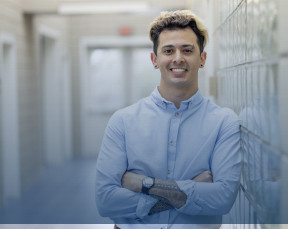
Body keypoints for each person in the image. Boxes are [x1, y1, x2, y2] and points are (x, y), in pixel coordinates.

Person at [95, 10, 241, 229]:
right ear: (155, 59)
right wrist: (189, 190)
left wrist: (144, 184)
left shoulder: (224, 123)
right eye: (168, 50)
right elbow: (106, 201)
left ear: (202, 59)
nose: (178, 58)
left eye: (187, 50)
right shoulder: (122, 122)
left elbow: (223, 199)